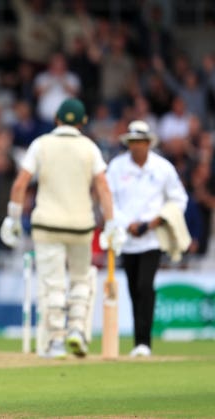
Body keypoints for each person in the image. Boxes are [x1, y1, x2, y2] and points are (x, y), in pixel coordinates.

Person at [0, 98, 124, 359]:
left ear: (56, 119)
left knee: (52, 283)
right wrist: (111, 222)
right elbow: (102, 186)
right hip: (81, 225)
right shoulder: (89, 147)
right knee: (80, 279)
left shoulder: (41, 144)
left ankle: (56, 340)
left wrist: (12, 218)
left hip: (47, 223)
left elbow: (21, 183)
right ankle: (77, 330)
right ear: (82, 123)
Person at [105, 120, 189, 357]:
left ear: (148, 143)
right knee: (134, 290)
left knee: (145, 286)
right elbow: (108, 200)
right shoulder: (117, 167)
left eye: (140, 142)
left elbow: (179, 199)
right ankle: (139, 342)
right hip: (126, 238)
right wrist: (126, 224)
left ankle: (144, 343)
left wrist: (156, 221)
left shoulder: (163, 168)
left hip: (152, 238)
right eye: (132, 142)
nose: (136, 146)